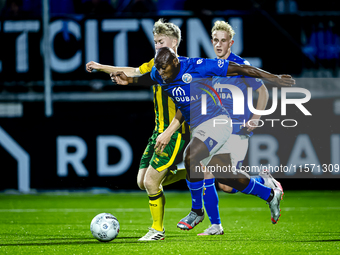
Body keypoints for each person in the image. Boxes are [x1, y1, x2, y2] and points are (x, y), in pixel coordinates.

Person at [110, 47, 295, 232]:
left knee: (191, 155)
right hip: (198, 127)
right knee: (226, 177)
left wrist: (275, 78)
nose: (161, 73)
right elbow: (147, 78)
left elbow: (241, 69)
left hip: (217, 121)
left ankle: (197, 211)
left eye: (164, 69)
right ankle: (270, 194)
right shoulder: (160, 73)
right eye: (158, 69)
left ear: (175, 62)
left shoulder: (198, 66)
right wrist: (129, 80)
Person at [86, 19, 189, 241]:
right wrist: (102, 67)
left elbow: (185, 107)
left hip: (173, 132)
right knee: (142, 181)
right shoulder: (156, 64)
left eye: (161, 41)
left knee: (152, 182)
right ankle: (193, 172)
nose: (157, 46)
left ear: (173, 42)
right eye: (155, 42)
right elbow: (132, 72)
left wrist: (169, 132)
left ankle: (157, 230)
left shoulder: (181, 68)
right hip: (157, 131)